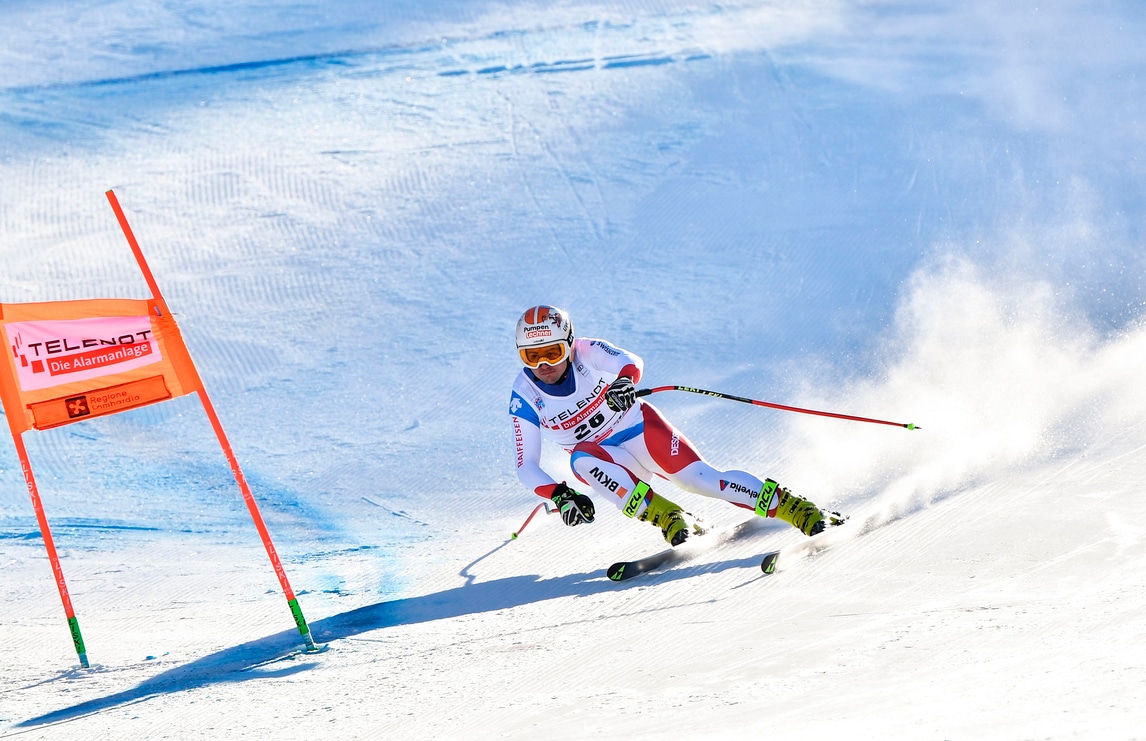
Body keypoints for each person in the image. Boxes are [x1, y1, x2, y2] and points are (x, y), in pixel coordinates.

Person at [509, 304, 844, 546]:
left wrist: (625, 381)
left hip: (640, 430)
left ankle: (796, 508)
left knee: (701, 480)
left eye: (552, 352)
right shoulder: (524, 394)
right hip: (609, 461)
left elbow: (630, 361)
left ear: (568, 344)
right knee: (579, 458)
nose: (543, 364)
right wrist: (560, 494)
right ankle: (667, 515)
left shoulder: (586, 351)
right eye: (531, 356)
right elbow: (526, 466)